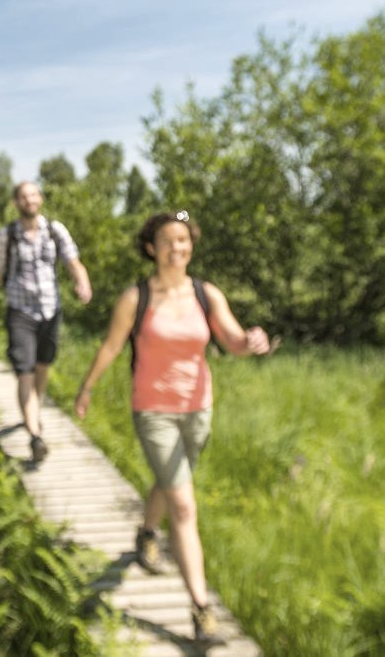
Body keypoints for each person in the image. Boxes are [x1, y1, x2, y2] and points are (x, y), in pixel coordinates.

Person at [72, 211, 271, 645]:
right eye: (167, 240)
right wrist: (86, 388)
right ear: (151, 248)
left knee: (171, 480)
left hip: (198, 408)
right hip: (153, 410)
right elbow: (110, 346)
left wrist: (250, 342)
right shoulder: (136, 297)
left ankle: (145, 533)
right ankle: (201, 610)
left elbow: (231, 340)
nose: (176, 247)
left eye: (183, 240)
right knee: (183, 504)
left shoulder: (206, 293)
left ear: (190, 245)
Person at [0, 180, 92, 463]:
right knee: (25, 372)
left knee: (43, 367)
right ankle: (34, 435)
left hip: (50, 310)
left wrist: (83, 282)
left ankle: (33, 411)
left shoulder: (55, 230)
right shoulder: (7, 235)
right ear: (16, 202)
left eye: (33, 195)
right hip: (20, 311)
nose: (29, 200)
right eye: (23, 196)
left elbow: (73, 261)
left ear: (40, 199)